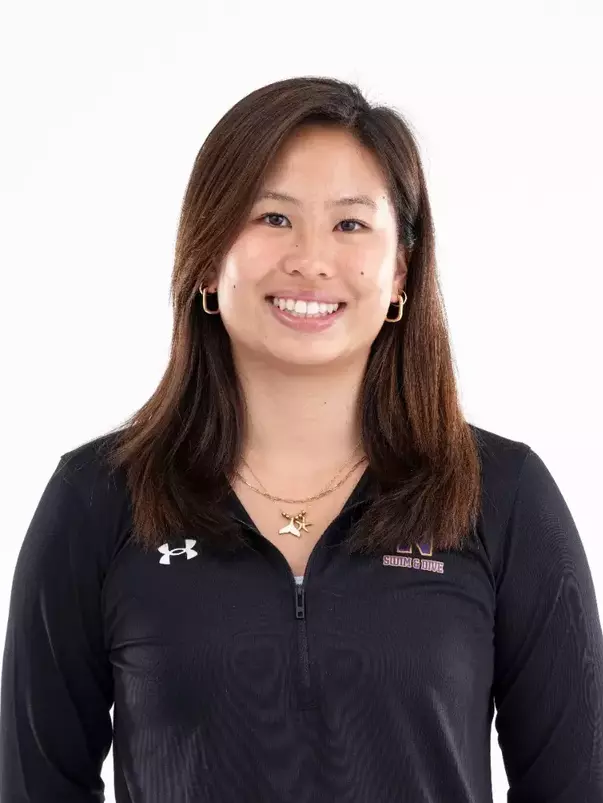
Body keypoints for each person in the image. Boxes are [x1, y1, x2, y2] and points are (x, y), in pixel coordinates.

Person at [1, 76, 602, 803]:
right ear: (206, 258)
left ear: (400, 273)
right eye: (271, 217)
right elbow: (33, 787)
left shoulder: (501, 496)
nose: (311, 260)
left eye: (349, 225)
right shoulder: (97, 499)